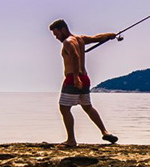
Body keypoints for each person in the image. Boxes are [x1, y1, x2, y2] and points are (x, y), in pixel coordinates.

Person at [49, 18, 118, 147]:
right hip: (85, 78)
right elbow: (96, 38)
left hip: (73, 79)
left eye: (56, 34)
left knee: (64, 108)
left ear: (63, 29)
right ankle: (105, 132)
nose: (56, 37)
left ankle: (71, 140)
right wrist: (110, 35)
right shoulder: (80, 39)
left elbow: (75, 56)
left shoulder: (68, 42)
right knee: (87, 107)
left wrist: (76, 78)